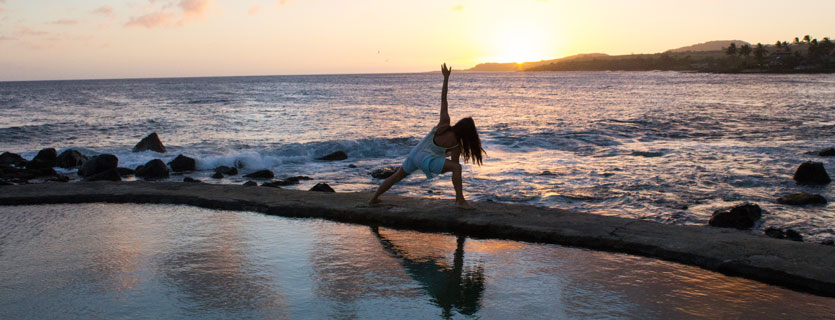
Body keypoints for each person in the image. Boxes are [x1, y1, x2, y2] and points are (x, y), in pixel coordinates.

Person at [369, 63, 485, 209]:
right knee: (457, 168)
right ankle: (460, 201)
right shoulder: (456, 145)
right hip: (425, 160)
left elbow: (444, 100)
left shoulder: (444, 124)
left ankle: (373, 199)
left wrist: (446, 78)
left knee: (396, 177)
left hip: (415, 154)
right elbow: (454, 168)